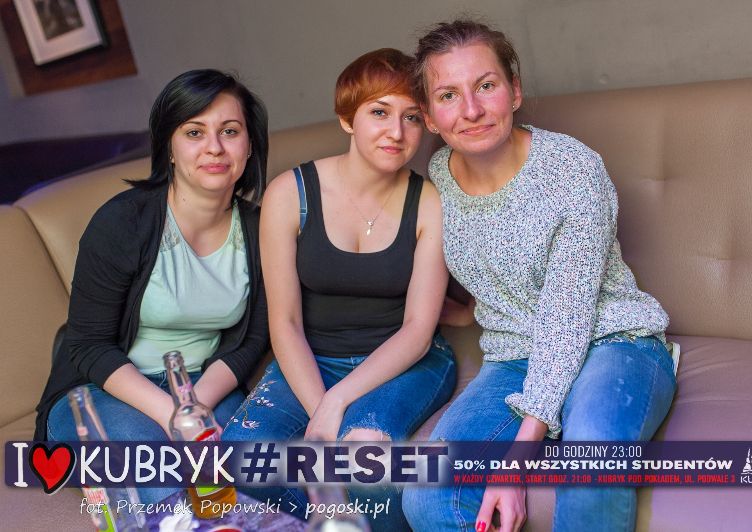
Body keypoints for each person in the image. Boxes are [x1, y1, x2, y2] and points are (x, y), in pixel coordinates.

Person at [402, 20, 677, 532]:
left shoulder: (573, 169)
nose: (471, 110)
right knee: (428, 496)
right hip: (513, 359)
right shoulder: (438, 177)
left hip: (610, 341)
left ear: (514, 90)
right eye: (448, 95)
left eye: (486, 85)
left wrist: (517, 458)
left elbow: (567, 316)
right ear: (431, 117)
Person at [223, 48, 456, 530]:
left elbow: (417, 330)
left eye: (412, 117)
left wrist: (338, 402)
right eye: (379, 112)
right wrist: (321, 411)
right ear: (348, 119)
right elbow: (285, 322)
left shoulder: (430, 201)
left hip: (402, 361)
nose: (397, 132)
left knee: (365, 466)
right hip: (312, 357)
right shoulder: (290, 193)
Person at [36, 69, 270, 504]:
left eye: (230, 131)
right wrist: (173, 416)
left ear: (250, 144)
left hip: (203, 384)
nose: (215, 147)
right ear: (169, 147)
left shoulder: (261, 228)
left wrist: (195, 409)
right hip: (105, 389)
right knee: (165, 483)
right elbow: (88, 346)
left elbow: (254, 339)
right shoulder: (122, 222)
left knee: (258, 476)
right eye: (194, 132)